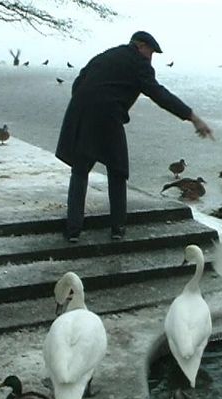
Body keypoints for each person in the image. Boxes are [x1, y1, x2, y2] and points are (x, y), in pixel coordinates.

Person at [56, 31, 213, 243]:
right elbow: (159, 94)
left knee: (80, 170)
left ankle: (73, 230)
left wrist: (89, 103)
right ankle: (118, 228)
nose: (151, 58)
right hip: (108, 116)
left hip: (81, 114)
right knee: (118, 171)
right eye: (151, 52)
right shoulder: (139, 63)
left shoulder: (105, 56)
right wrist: (192, 116)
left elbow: (78, 83)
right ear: (140, 46)